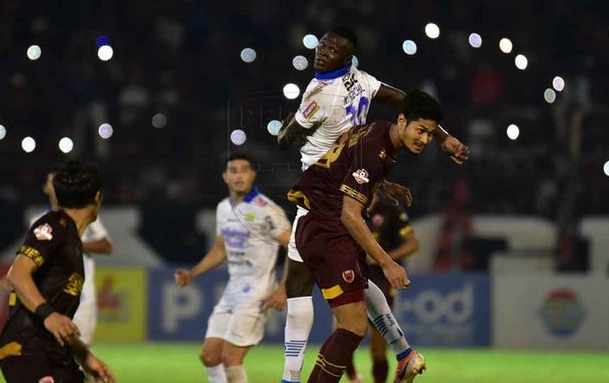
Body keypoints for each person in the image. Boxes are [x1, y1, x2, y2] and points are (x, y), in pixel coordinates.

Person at [277, 27, 469, 383]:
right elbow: (401, 100)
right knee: (348, 304)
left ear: (346, 57)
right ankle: (403, 352)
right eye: (323, 44)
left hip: (326, 202)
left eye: (332, 48)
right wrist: (445, 138)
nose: (323, 51)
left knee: (305, 291)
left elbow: (286, 140)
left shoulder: (320, 95)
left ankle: (294, 377)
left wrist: (283, 130)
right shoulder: (361, 83)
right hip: (332, 202)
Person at [287, 90, 444, 383]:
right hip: (327, 228)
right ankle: (403, 353)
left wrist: (382, 184)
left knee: (365, 291)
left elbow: (348, 153)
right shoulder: (376, 150)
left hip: (328, 224)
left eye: (431, 135)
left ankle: (404, 353)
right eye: (420, 130)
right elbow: (350, 214)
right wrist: (388, 262)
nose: (424, 139)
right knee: (353, 327)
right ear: (402, 120)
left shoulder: (381, 130)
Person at [175, 154, 292, 383]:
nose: (239, 175)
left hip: (258, 293)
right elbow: (221, 249)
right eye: (234, 170)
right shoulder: (223, 209)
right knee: (209, 356)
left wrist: (283, 289)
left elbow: (295, 247)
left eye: (244, 170)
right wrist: (192, 274)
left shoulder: (267, 210)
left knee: (231, 358)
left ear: (252, 175)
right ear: (225, 177)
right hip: (232, 292)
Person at [0, 161, 116, 383]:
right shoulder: (53, 224)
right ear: (98, 198)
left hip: (56, 354)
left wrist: (85, 355)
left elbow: (59, 321)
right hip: (29, 350)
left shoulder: (71, 240)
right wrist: (49, 315)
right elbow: (17, 273)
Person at [350, 192, 420, 383]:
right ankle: (353, 376)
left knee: (377, 351)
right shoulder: (349, 202)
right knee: (345, 333)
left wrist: (385, 259)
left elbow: (414, 244)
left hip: (381, 280)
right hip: (350, 274)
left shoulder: (390, 209)